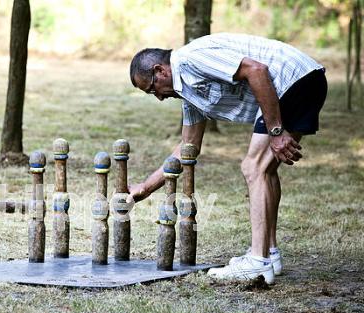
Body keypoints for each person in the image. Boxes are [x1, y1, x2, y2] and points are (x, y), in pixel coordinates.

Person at [128, 33, 327, 284]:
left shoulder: (192, 59)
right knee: (265, 168)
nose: (158, 96)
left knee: (253, 168)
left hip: (293, 79)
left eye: (152, 88)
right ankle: (269, 253)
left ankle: (258, 262)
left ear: (160, 70)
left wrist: (275, 130)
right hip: (303, 79)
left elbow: (256, 70)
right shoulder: (188, 92)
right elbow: (187, 147)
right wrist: (144, 189)